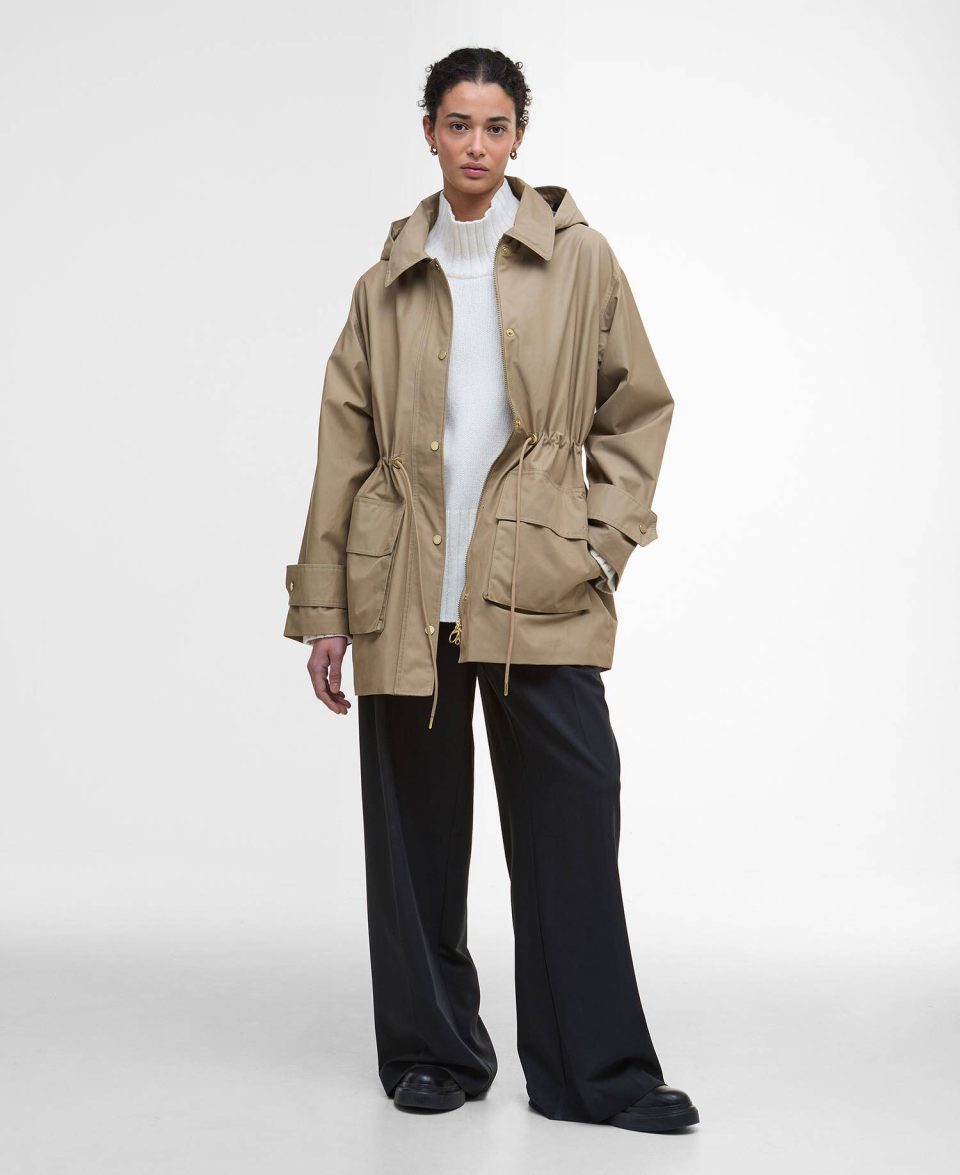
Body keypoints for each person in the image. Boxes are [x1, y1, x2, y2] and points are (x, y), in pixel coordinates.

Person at [282, 47, 698, 1132]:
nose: (476, 145)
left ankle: (596, 1072)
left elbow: (637, 408)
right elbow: (343, 450)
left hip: (542, 589)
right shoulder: (385, 283)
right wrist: (326, 612)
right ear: (429, 131)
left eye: (496, 126)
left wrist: (601, 544)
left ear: (520, 137)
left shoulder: (580, 258)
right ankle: (434, 1052)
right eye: (458, 124)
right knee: (415, 843)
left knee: (571, 827)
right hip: (404, 590)